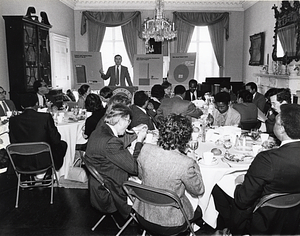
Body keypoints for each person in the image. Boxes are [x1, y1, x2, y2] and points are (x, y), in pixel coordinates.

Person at [213, 104, 300, 235]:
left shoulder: (267, 159)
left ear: (282, 129)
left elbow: (243, 200)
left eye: (275, 122)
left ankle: (228, 228)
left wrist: (239, 182)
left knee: (218, 184)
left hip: (263, 220)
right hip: (295, 217)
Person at [133, 114, 205, 235]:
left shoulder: (145, 149)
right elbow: (199, 190)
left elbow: (141, 176)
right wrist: (194, 163)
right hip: (172, 222)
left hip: (143, 214)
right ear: (185, 139)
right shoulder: (186, 163)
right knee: (200, 209)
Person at [85, 103, 147, 220]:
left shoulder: (100, 131)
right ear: (122, 121)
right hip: (114, 190)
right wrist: (139, 141)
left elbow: (115, 142)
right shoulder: (111, 143)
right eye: (128, 122)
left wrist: (134, 131)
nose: (128, 125)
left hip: (99, 185)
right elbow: (134, 168)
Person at [9, 94, 67, 182]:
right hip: (44, 160)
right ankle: (49, 171)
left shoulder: (13, 120)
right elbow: (56, 139)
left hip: (22, 161)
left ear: (21, 106)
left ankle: (30, 176)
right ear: (36, 104)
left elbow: (13, 141)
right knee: (62, 144)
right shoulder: (45, 117)